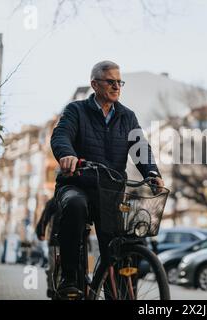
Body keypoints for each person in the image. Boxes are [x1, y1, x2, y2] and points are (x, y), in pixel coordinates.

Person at [50, 60, 164, 299]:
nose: (116, 86)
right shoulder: (76, 110)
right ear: (94, 84)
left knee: (123, 240)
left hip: (110, 190)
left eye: (119, 82)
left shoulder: (127, 116)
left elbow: (140, 148)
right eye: (110, 82)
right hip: (77, 183)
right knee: (75, 205)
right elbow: (61, 135)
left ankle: (117, 290)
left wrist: (152, 173)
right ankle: (70, 278)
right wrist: (67, 155)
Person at [35, 197, 59, 298]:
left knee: (63, 269)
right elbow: (45, 217)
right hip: (54, 240)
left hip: (69, 241)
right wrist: (41, 231)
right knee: (53, 267)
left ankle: (60, 291)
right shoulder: (54, 201)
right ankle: (51, 288)